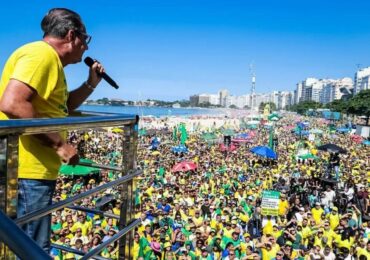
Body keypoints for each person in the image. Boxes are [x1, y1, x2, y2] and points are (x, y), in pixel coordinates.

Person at [0, 8, 105, 253]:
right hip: (27, 172)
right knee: (33, 248)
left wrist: (91, 83)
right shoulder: (42, 55)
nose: (86, 48)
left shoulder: (50, 61)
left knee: (27, 245)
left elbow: (62, 107)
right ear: (71, 35)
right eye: (85, 39)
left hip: (33, 170)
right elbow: (13, 103)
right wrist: (60, 144)